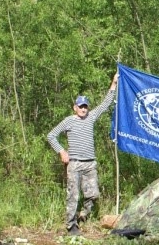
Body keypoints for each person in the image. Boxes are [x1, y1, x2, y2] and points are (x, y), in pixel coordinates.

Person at [47, 72, 119, 236]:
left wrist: (113, 83)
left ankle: (84, 215)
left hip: (90, 163)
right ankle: (71, 225)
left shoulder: (91, 117)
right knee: (73, 195)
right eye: (81, 106)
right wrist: (61, 151)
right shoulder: (69, 120)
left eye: (85, 106)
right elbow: (51, 135)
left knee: (93, 194)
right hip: (75, 163)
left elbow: (106, 103)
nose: (83, 109)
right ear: (75, 107)